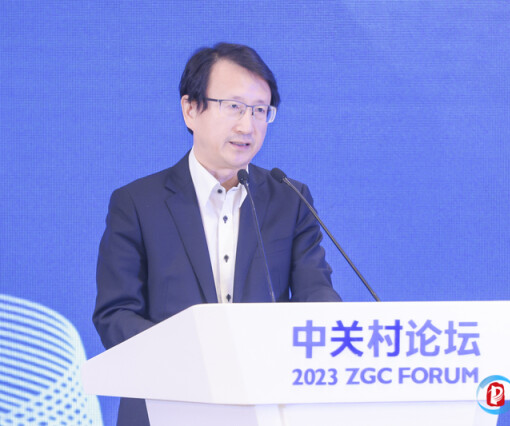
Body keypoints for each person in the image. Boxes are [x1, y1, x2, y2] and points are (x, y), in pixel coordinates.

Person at [93, 42, 341, 426]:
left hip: (264, 409)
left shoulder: (289, 199)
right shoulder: (137, 204)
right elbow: (116, 314)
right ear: (191, 109)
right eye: (234, 107)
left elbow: (316, 293)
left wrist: (333, 328)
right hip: (167, 406)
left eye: (260, 110)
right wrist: (191, 359)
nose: (248, 126)